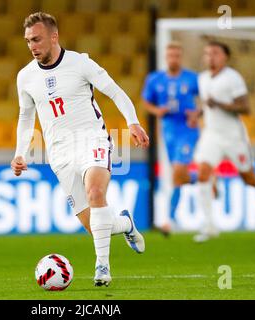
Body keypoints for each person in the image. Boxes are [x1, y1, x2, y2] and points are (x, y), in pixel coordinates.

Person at [11, 12, 150, 287]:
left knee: (96, 192)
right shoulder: (25, 77)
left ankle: (102, 267)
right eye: (28, 41)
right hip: (59, 153)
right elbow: (26, 116)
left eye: (37, 39)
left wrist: (132, 122)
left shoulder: (80, 63)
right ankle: (125, 224)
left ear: (54, 37)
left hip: (92, 140)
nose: (32, 46)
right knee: (93, 226)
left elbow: (116, 92)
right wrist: (20, 152)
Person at [194, 41, 255, 242]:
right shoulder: (202, 79)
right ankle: (210, 226)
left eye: (215, 53)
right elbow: (208, 105)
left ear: (225, 57)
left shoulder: (232, 78)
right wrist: (199, 113)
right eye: (207, 53)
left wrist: (218, 103)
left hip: (233, 136)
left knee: (249, 179)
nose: (210, 57)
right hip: (211, 135)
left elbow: (245, 108)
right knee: (202, 173)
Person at [141, 42, 200, 235]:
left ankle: (170, 220)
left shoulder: (192, 78)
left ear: (180, 57)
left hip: (187, 129)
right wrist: (157, 110)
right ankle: (204, 177)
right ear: (166, 58)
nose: (173, 59)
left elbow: (207, 99)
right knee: (178, 175)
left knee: (178, 171)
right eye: (170, 55)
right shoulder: (155, 79)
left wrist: (198, 113)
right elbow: (145, 102)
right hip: (168, 131)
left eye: (176, 55)